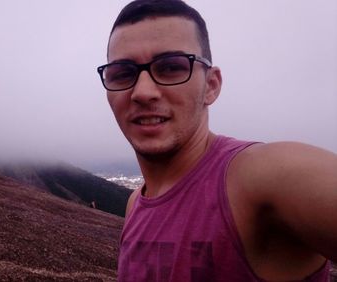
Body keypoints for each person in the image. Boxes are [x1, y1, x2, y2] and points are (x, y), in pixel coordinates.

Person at [96, 0, 337, 281]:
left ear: (211, 85)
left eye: (171, 67)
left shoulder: (258, 178)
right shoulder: (136, 202)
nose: (143, 91)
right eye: (123, 73)